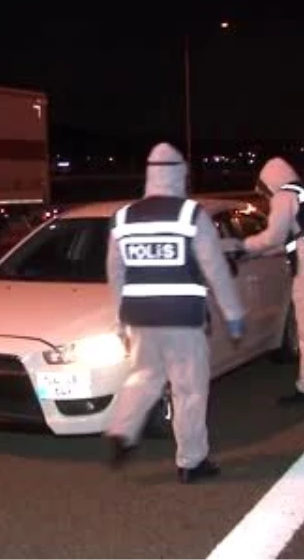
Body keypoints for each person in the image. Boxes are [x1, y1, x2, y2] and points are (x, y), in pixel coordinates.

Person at [104, 142, 245, 484]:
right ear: (180, 174)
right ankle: (191, 462)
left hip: (139, 316)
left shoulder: (123, 218)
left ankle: (122, 430)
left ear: (150, 175)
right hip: (182, 318)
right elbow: (215, 269)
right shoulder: (191, 215)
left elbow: (116, 273)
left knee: (144, 375)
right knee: (189, 390)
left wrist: (119, 319)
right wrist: (232, 313)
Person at [240, 157, 304, 404]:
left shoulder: (283, 196)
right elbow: (292, 234)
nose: (268, 197)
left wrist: (245, 245)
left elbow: (274, 236)